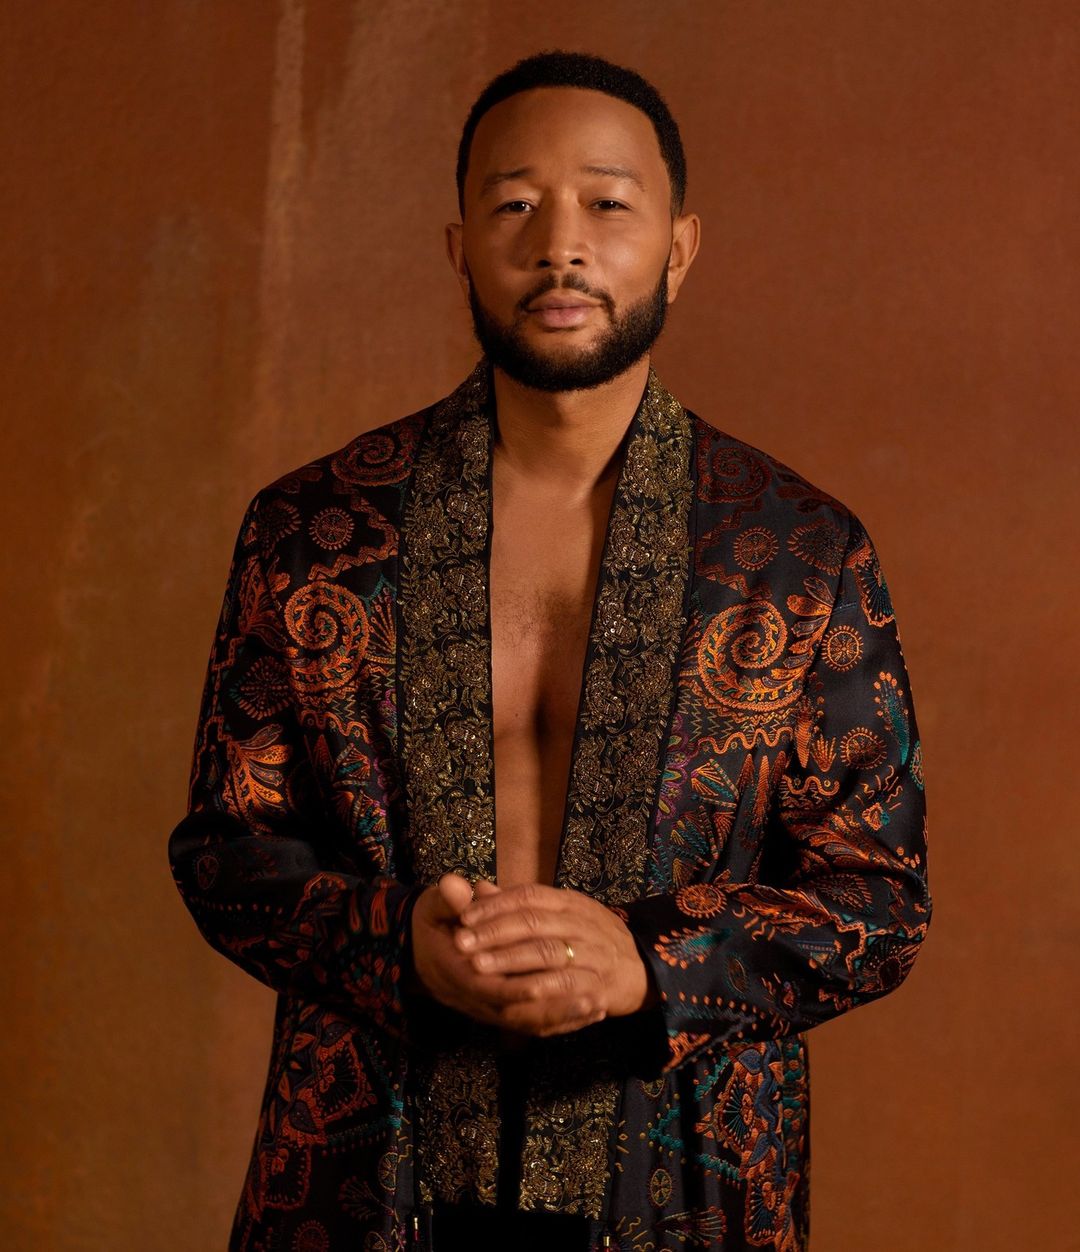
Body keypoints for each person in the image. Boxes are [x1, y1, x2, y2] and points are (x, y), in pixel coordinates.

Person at [169, 49, 931, 1252]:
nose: (560, 245)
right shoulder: (315, 533)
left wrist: (650, 965)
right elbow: (226, 850)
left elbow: (878, 898)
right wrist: (394, 943)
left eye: (608, 204)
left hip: (685, 1192)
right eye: (515, 204)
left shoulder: (800, 552)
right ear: (458, 246)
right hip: (366, 1183)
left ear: (678, 246)